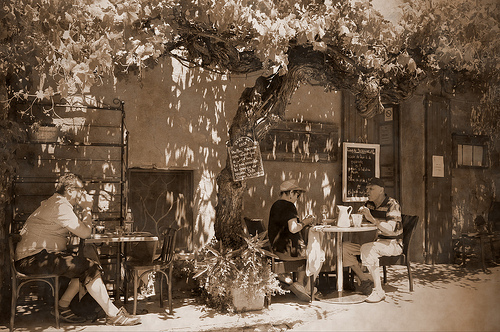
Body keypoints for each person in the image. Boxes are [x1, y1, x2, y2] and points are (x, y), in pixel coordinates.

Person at [14, 173, 141, 326]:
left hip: (35, 257)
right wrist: (88, 208)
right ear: (69, 190)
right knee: (89, 267)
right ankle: (113, 315)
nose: (83, 193)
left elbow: (79, 230)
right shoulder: (60, 206)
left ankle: (63, 306)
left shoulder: (56, 203)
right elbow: (86, 233)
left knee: (86, 266)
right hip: (33, 259)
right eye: (81, 189)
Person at [343, 177, 403, 303]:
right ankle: (364, 279)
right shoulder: (369, 204)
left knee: (367, 248)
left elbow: (391, 229)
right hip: (374, 242)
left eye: (371, 189)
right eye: (367, 189)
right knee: (343, 248)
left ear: (381, 190)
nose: (368, 192)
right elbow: (363, 222)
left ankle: (378, 291)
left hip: (392, 243)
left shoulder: (392, 204)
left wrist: (372, 219)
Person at [268, 179, 316, 301]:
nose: (297, 198)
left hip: (275, 250)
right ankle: (301, 284)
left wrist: (301, 222)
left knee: (307, 251)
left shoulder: (276, 205)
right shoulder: (289, 206)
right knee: (313, 254)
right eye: (297, 195)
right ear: (290, 193)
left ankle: (300, 285)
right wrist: (305, 222)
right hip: (287, 253)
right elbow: (293, 229)